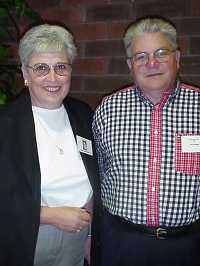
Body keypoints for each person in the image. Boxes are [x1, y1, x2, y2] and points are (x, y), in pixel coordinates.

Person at [92, 16, 200, 266]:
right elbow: (97, 174)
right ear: (130, 64)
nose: (152, 63)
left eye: (161, 53)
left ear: (178, 58)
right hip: (120, 242)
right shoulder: (108, 109)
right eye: (141, 56)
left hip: (186, 246)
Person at [0, 24, 101, 266]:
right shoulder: (6, 124)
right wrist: (49, 215)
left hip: (78, 234)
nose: (53, 78)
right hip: (26, 237)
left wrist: (88, 233)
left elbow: (92, 176)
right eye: (41, 68)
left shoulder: (82, 114)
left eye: (61, 67)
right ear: (25, 73)